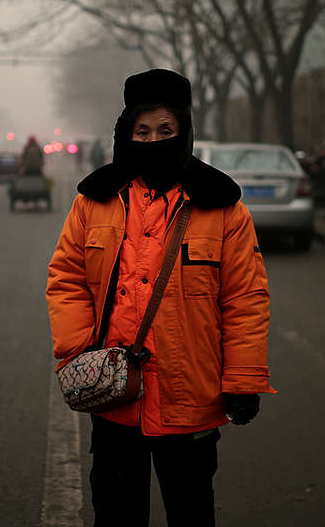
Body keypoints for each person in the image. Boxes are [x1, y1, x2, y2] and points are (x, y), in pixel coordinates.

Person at [46, 68, 275, 526]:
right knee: (116, 514)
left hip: (191, 398)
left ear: (185, 132)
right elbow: (67, 278)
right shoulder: (95, 201)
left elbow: (245, 298)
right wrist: (78, 353)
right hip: (114, 397)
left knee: (191, 513)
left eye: (165, 131)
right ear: (126, 134)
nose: (153, 140)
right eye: (142, 131)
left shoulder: (222, 208)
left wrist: (243, 378)